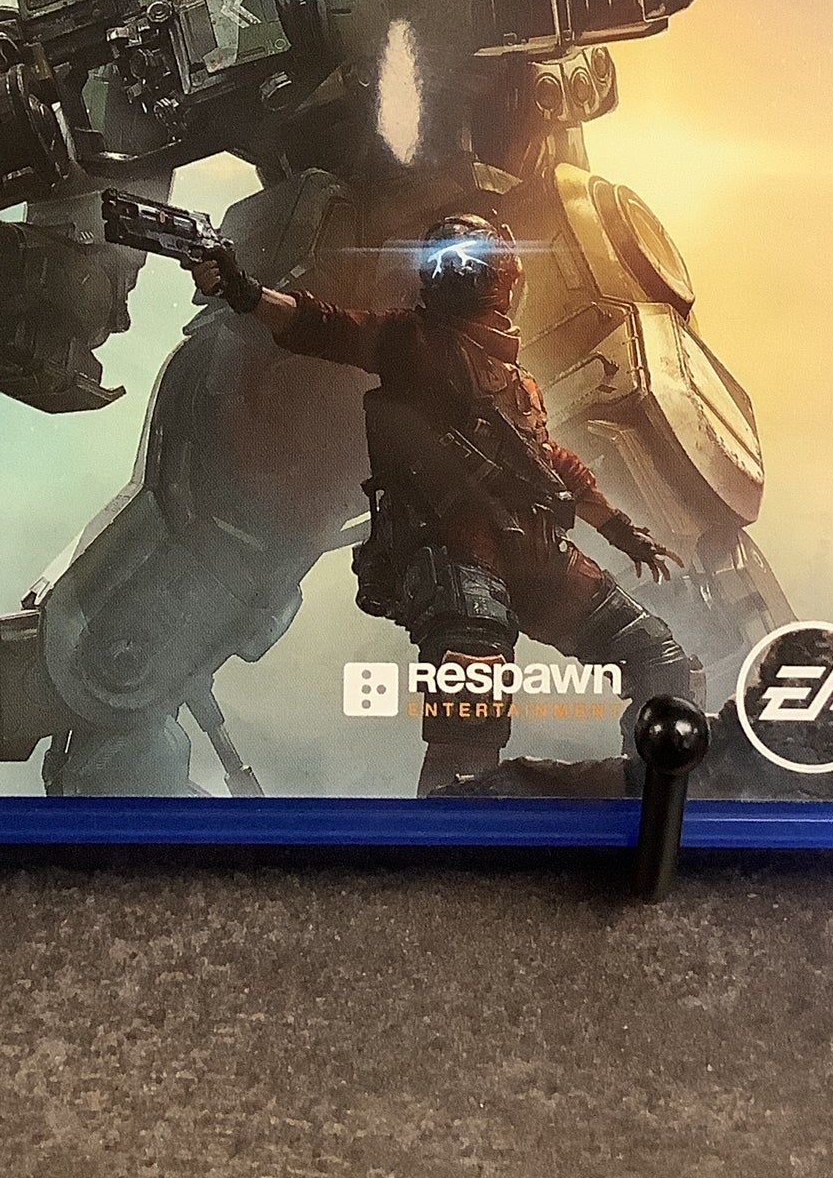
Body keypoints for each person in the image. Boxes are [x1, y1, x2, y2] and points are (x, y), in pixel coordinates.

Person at [194, 214, 700, 793]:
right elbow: (321, 325)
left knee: (660, 661)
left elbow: (550, 463)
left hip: (534, 552)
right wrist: (245, 292)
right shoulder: (415, 343)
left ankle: (654, 795)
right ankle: (456, 831)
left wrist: (621, 531)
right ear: (501, 278)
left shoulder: (515, 378)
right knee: (468, 735)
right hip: (461, 561)